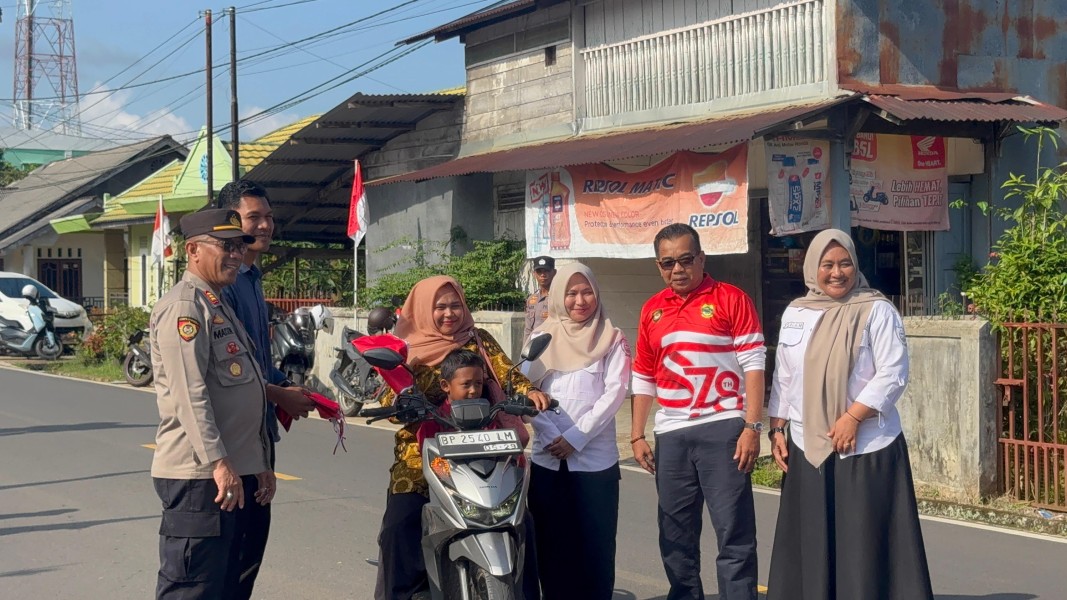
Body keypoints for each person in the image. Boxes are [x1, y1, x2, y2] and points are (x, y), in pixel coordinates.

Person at [766, 229, 933, 600]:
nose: (836, 272)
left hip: (866, 446)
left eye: (844, 263)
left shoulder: (877, 309)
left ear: (856, 266)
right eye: (827, 264)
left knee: (862, 541)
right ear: (813, 268)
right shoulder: (797, 312)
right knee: (811, 538)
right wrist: (776, 428)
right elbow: (785, 375)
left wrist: (853, 417)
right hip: (807, 443)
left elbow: (894, 372)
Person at [374, 275, 551, 600]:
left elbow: (507, 373)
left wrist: (530, 392)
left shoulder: (478, 339)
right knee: (399, 526)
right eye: (440, 307)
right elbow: (389, 394)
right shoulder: (406, 347)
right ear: (424, 309)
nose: (449, 313)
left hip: (484, 446)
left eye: (455, 305)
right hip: (421, 453)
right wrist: (401, 402)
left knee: (520, 522)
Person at [630, 223, 765, 600]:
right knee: (675, 534)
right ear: (659, 266)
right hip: (671, 434)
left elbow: (754, 364)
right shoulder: (651, 310)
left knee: (733, 532)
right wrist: (637, 434)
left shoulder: (730, 298)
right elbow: (643, 375)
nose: (677, 269)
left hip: (723, 429)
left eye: (686, 260)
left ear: (702, 259)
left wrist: (752, 426)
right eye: (668, 262)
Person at [149, 209, 274, 599]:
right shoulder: (186, 308)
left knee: (227, 585)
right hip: (200, 478)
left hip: (233, 474)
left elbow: (245, 391)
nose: (237, 254)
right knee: (193, 588)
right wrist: (220, 463)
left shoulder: (218, 305)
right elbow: (191, 396)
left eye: (240, 246)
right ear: (193, 250)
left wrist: (261, 464)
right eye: (226, 246)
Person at [217, 180, 316, 591]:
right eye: (254, 217)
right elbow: (232, 372)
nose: (266, 225)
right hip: (232, 438)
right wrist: (279, 394)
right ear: (230, 223)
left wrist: (298, 393)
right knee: (226, 557)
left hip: (258, 434)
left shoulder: (252, 278)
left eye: (269, 217)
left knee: (249, 551)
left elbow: (260, 362)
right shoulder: (226, 282)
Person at [523, 263, 631, 600]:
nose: (580, 300)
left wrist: (575, 438)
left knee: (595, 550)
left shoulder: (612, 337)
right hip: (547, 458)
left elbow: (614, 393)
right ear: (558, 296)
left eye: (586, 292)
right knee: (551, 546)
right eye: (571, 293)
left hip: (594, 463)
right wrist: (550, 432)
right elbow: (525, 390)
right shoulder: (540, 337)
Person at [524, 255, 556, 342]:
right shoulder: (531, 300)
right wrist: (524, 352)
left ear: (554, 272)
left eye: (546, 271)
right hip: (533, 349)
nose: (543, 275)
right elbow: (527, 330)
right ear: (534, 274)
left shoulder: (558, 298)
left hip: (552, 345)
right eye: (539, 271)